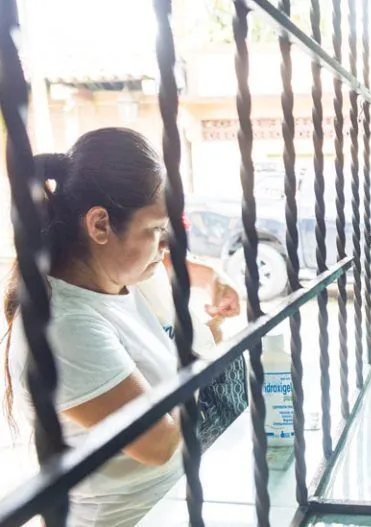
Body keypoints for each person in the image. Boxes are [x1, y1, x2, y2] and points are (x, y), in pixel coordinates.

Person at [1, 128, 240, 526]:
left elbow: (166, 270)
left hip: (177, 501)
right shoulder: (64, 328)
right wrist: (210, 364)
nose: (164, 244)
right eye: (154, 231)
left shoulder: (115, 280)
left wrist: (213, 280)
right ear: (99, 225)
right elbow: (158, 443)